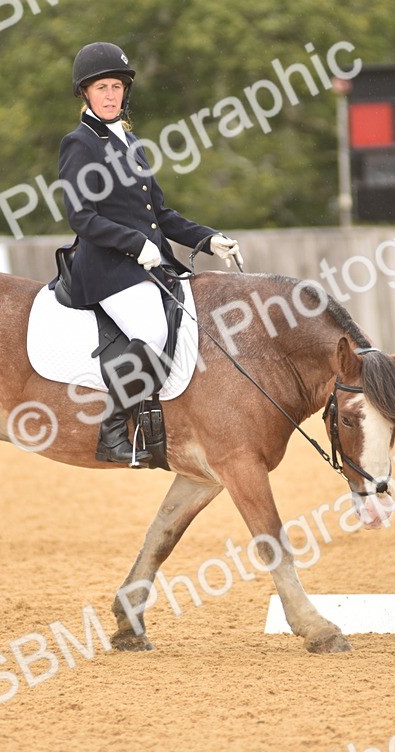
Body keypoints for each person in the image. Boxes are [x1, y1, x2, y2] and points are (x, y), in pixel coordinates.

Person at [60, 41, 243, 466]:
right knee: (153, 332)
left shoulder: (132, 142)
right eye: (102, 87)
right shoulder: (78, 144)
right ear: (85, 94)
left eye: (117, 87)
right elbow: (81, 217)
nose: (110, 95)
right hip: (107, 269)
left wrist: (207, 239)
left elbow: (160, 214)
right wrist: (134, 243)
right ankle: (111, 432)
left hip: (148, 265)